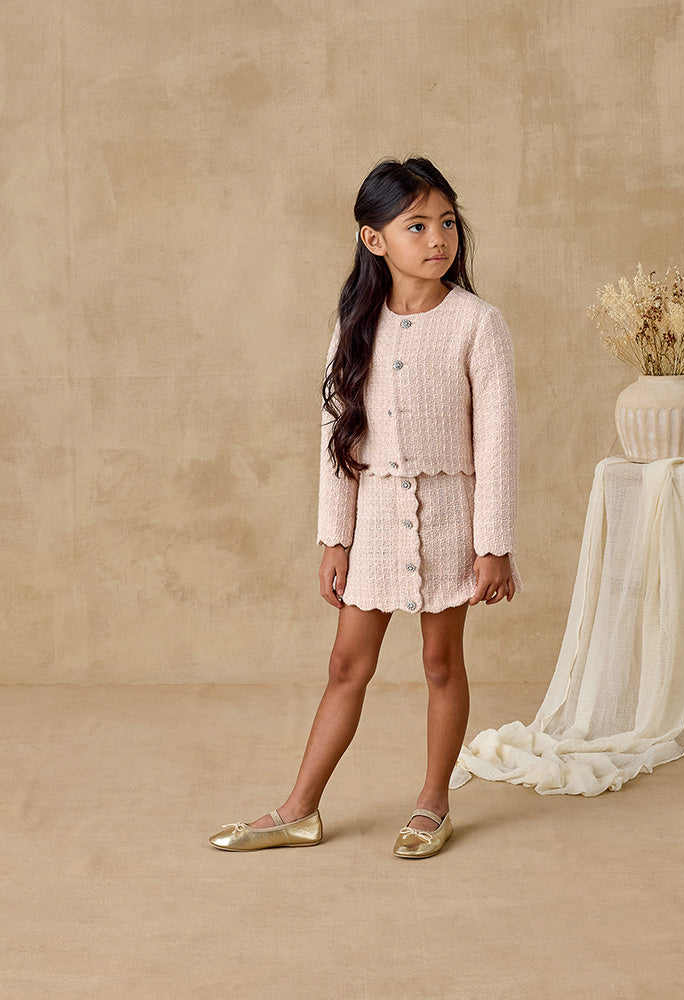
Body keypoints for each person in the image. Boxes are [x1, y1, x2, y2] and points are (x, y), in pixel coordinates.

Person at [209, 157, 522, 859]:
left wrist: (493, 543)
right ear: (375, 239)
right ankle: (297, 810)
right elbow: (337, 436)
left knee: (442, 662)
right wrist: (335, 539)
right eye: (416, 224)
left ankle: (433, 803)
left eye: (446, 222)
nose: (437, 237)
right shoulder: (356, 322)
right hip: (376, 518)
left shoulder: (479, 323)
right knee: (347, 665)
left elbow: (498, 440)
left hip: (450, 516)